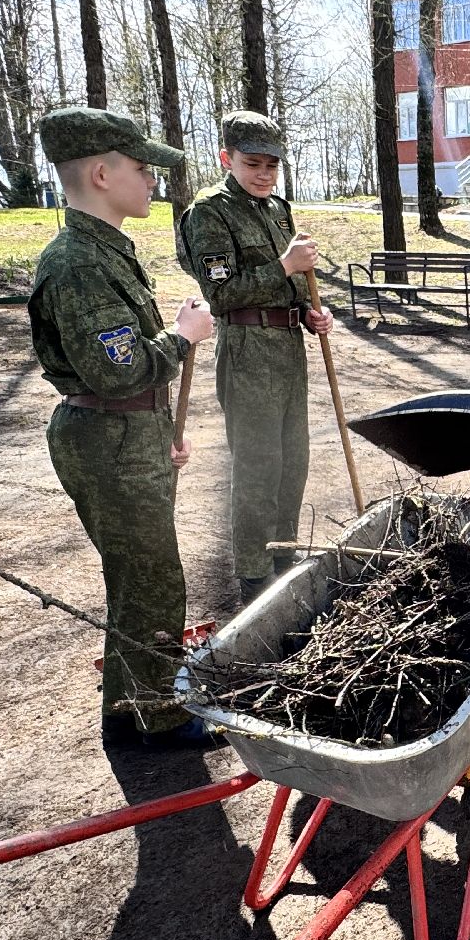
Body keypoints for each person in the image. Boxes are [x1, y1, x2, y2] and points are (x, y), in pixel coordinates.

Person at [29, 106, 218, 750]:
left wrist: (159, 427)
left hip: (125, 434)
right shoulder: (79, 262)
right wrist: (183, 336)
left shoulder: (103, 250)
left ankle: (130, 701)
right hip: (107, 437)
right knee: (152, 579)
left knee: (138, 576)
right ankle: (155, 717)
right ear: (103, 174)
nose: (151, 181)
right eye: (141, 169)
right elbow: (119, 371)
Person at [178, 110, 334, 604]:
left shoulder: (277, 209)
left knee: (294, 463)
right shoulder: (210, 213)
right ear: (227, 159)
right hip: (247, 354)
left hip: (288, 350)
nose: (264, 174)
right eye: (252, 163)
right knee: (258, 468)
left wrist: (311, 310)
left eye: (272, 164)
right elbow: (221, 295)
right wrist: (286, 264)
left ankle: (282, 560)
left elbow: (294, 282)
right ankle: (253, 578)